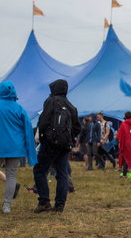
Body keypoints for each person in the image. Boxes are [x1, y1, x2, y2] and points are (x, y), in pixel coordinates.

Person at [33, 79, 81, 213]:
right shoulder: (71, 106)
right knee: (62, 173)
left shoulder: (51, 101)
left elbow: (43, 121)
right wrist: (69, 138)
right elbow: (77, 128)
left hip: (50, 143)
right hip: (65, 145)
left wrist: (42, 136)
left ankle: (44, 202)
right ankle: (60, 205)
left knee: (40, 171)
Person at [0, 81, 37, 213]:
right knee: (11, 176)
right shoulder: (19, 108)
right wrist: (30, 149)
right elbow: (28, 129)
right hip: (15, 148)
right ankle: (7, 205)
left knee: (9, 175)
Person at [116, 111, 131, 178]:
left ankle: (124, 174)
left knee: (126, 158)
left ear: (125, 116)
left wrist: (119, 142)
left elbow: (120, 135)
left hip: (125, 144)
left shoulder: (123, 124)